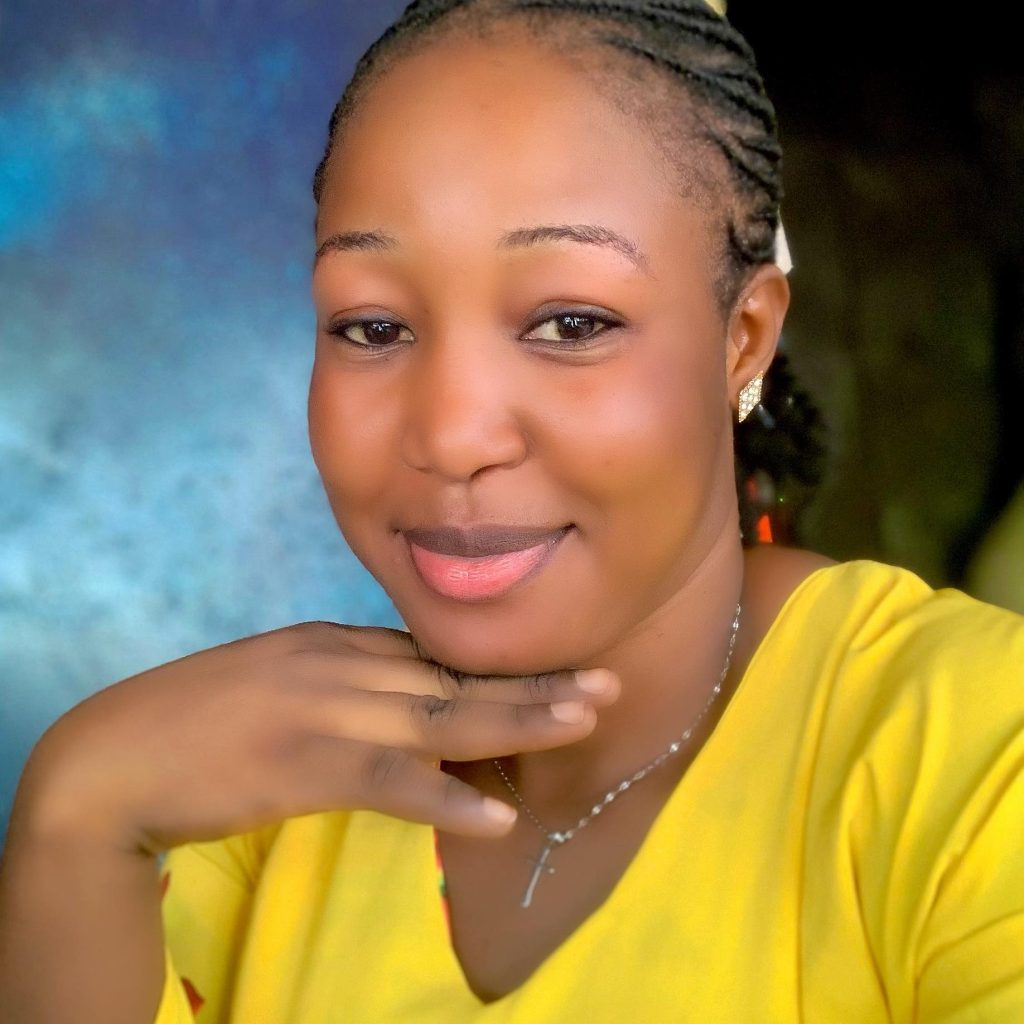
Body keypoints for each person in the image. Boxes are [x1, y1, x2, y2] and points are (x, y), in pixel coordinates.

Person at [1, 1, 1022, 1021]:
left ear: (742, 339)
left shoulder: (979, 760)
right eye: (372, 327)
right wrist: (76, 817)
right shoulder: (258, 805)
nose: (452, 435)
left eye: (571, 322)